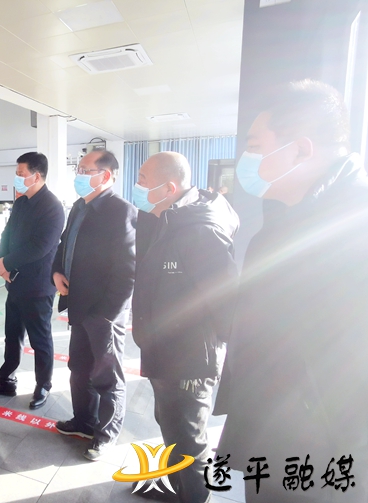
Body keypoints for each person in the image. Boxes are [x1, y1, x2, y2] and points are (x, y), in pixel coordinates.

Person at [215, 80, 368, 502]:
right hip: (273, 434)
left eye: (255, 146)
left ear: (300, 149)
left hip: (325, 455)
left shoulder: (355, 223)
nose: (246, 160)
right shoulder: (283, 218)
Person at [131, 152, 239, 502]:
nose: (137, 186)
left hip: (189, 356)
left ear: (169, 187)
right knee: (171, 426)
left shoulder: (200, 229)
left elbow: (226, 301)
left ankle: (194, 496)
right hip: (165, 349)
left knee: (189, 439)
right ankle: (180, 490)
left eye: (143, 180)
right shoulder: (163, 218)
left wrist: (208, 352)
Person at [52, 150, 136, 461]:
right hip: (79, 305)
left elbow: (128, 270)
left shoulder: (122, 212)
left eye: (86, 170)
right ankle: (84, 421)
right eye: (79, 168)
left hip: (104, 312)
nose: (79, 175)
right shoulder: (79, 206)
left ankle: (106, 433)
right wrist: (56, 271)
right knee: (79, 368)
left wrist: (107, 313)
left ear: (106, 175)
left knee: (107, 376)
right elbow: (64, 245)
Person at [0, 152, 64, 409]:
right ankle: (6, 380)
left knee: (40, 339)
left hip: (37, 285)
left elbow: (40, 246)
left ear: (36, 176)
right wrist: (2, 261)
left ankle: (43, 385)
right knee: (12, 335)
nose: (16, 178)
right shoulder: (21, 202)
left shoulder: (52, 206)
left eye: (20, 174)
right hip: (14, 281)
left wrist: (8, 263)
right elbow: (7, 233)